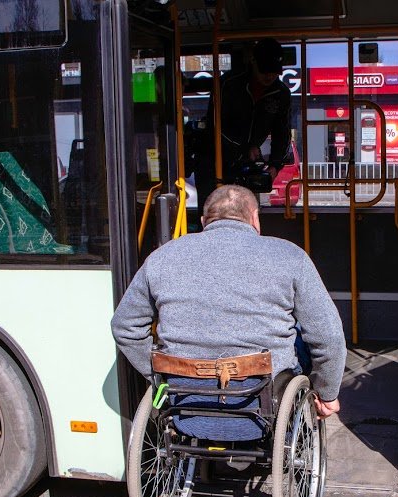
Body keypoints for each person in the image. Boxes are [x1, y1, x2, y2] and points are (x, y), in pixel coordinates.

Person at [111, 184, 345, 419]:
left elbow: (124, 327)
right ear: (255, 218)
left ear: (204, 221)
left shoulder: (161, 257)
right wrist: (327, 393)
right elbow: (329, 336)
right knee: (300, 336)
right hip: (267, 398)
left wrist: (159, 374)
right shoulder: (290, 256)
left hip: (183, 394)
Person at [193, 38, 292, 205]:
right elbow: (216, 125)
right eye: (264, 71)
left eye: (274, 72)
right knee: (213, 209)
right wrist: (245, 147)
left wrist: (275, 164)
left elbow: (282, 132)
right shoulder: (229, 84)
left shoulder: (280, 93)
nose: (269, 76)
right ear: (253, 62)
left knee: (244, 209)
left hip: (245, 162)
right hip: (212, 158)